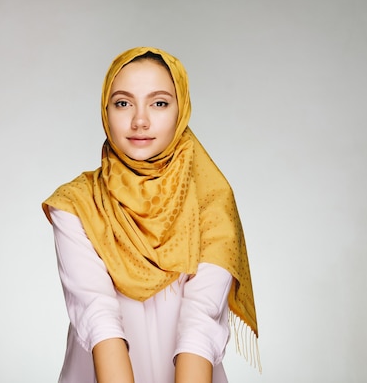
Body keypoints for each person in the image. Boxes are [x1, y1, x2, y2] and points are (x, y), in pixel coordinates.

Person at [42, 47, 259, 383]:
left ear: (181, 109)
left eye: (159, 103)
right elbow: (98, 318)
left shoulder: (212, 202)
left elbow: (200, 323)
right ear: (105, 110)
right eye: (123, 103)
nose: (139, 120)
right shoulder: (77, 203)